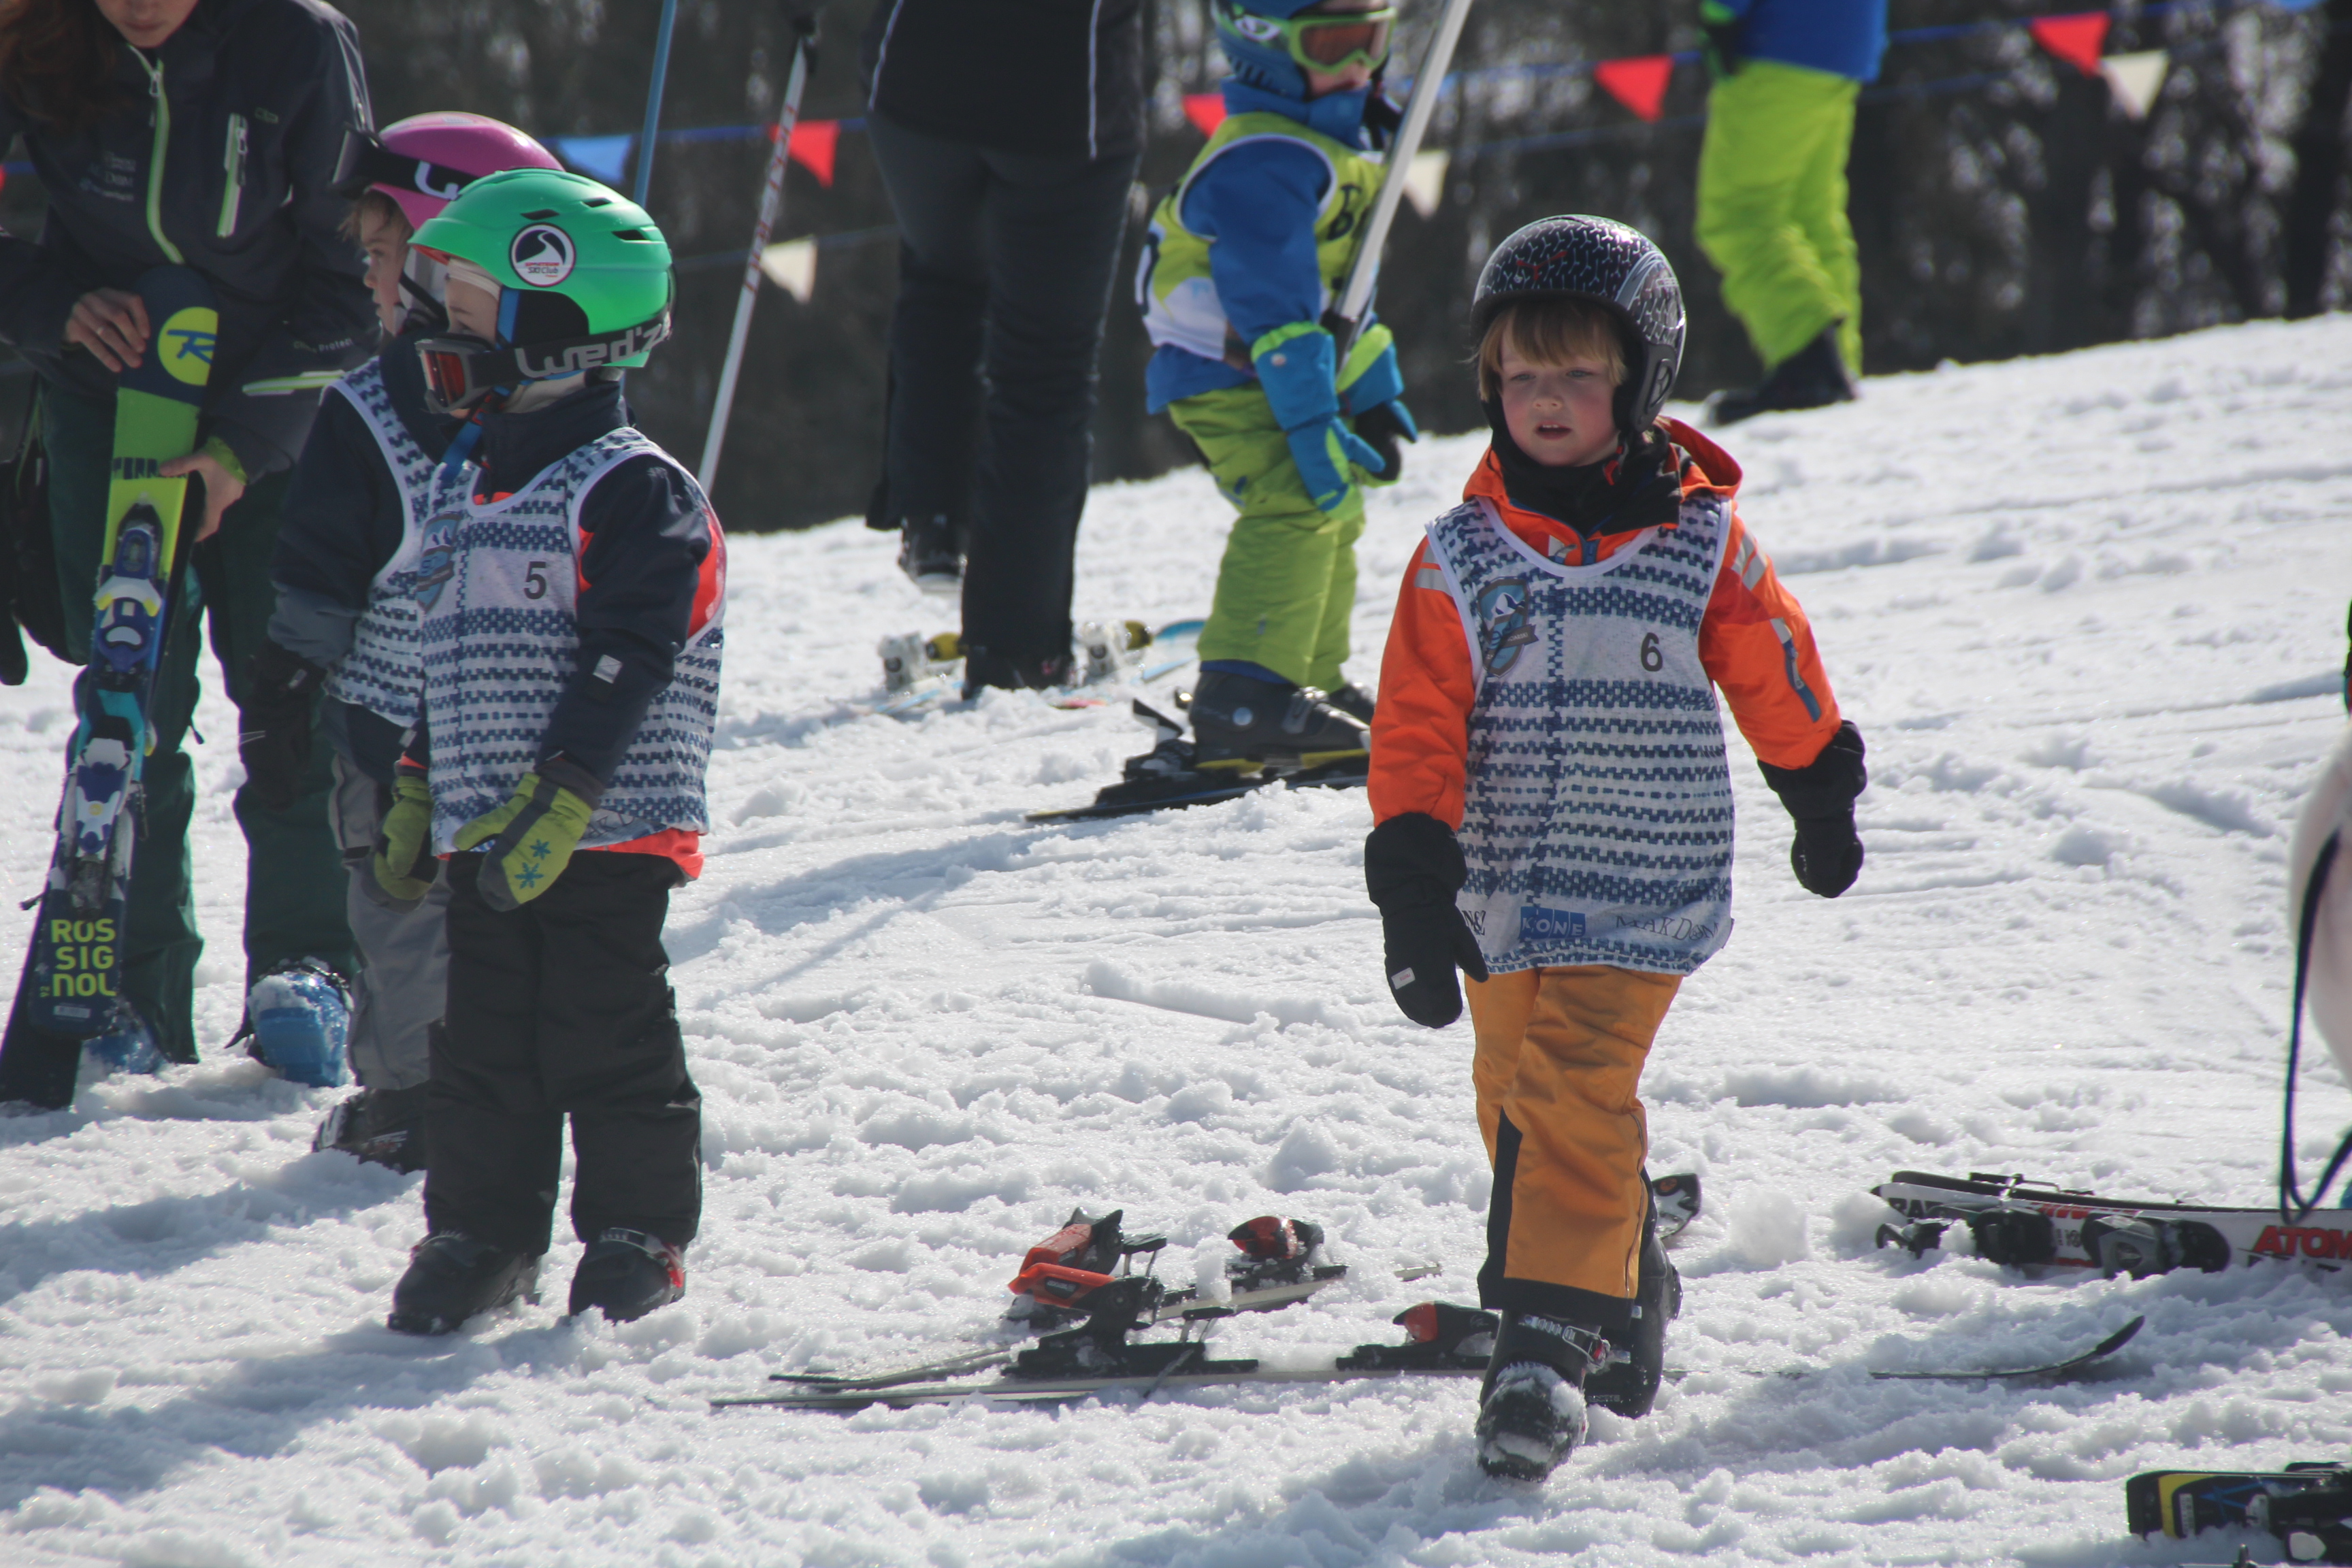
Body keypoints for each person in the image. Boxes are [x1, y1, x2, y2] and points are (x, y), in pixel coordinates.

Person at [1362, 216, 1867, 1480]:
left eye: (1578, 374)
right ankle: (1622, 1279)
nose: (1545, 399)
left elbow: (1774, 661)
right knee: (1513, 1095)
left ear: (1638, 383)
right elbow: (1417, 722)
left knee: (1572, 1089)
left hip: (1642, 883)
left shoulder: (1698, 543)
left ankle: (1542, 1350)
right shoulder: (1461, 560)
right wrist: (1414, 881)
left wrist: (1817, 789)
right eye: (1520, 373)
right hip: (1500, 893)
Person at [0, 0, 375, 1104]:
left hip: (276, 413)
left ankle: (314, 968)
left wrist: (239, 451)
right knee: (128, 707)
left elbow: (354, 284)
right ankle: (128, 989)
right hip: (107, 402)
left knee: (291, 692)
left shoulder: (299, 44)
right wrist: (56, 306)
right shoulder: (36, 32)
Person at [371, 167, 723, 1331]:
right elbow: (450, 650)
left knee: (604, 1029)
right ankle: (484, 1231)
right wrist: (417, 777)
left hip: (606, 828)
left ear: (564, 327)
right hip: (486, 827)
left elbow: (634, 649)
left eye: (467, 309)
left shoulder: (633, 489)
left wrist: (567, 789)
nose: (436, 328)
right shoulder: (465, 480)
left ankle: (639, 1229)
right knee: (483, 1046)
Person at [238, 114, 566, 1164]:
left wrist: (287, 680)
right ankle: (504, 1080)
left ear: (444, 264)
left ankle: (421, 1100)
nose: (368, 279)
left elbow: (318, 571)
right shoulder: (574, 398)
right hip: (524, 737)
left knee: (403, 908)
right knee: (505, 908)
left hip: (397, 736)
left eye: (383, 254)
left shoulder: (369, 407)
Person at [1136, 0, 1419, 772]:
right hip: (1225, 369)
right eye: (1332, 44)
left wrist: (1373, 385)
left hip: (1281, 361)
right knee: (1295, 497)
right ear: (1263, 51)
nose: (1358, 65)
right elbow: (1277, 310)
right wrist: (1310, 418)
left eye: (1372, 39)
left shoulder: (1332, 147)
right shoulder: (1265, 159)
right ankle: (1244, 695)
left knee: (1333, 504)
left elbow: (1341, 295)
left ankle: (1306, 679)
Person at [858, 0, 1145, 695]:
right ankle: (1015, 649)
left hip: (914, 81)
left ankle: (933, 516)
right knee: (1044, 369)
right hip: (1061, 100)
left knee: (940, 275)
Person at [1692, 0, 1888, 424]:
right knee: (1808, 214)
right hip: (1850, 38)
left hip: (1778, 40)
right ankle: (1838, 363)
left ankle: (1809, 362)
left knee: (1739, 214)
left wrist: (1722, 14)